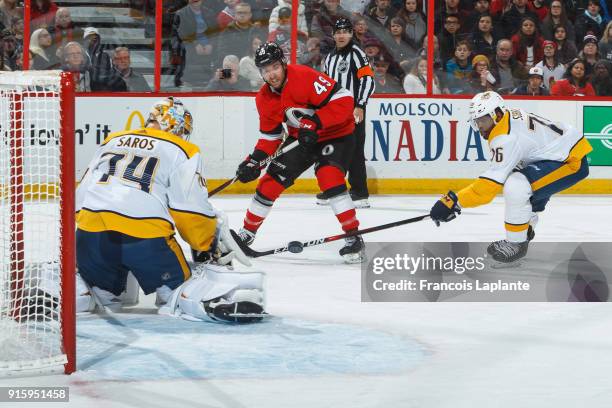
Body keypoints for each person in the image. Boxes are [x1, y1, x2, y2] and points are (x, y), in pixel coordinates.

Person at [76, 97, 265, 323]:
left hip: (90, 235)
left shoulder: (113, 139)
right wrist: (208, 244)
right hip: (144, 239)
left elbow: (81, 195)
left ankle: (81, 294)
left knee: (101, 291)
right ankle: (213, 301)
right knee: (176, 290)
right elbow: (191, 214)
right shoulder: (183, 150)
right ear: (174, 125)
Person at [234, 42, 364, 263]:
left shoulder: (304, 76)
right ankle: (246, 233)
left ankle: (353, 237)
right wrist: (254, 161)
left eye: (274, 67)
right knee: (270, 181)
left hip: (336, 134)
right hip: (301, 139)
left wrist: (316, 121)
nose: (271, 74)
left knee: (328, 176)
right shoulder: (264, 99)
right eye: (265, 70)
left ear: (283, 64)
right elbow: (271, 138)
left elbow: (344, 100)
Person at [430, 91, 591, 264]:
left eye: (483, 120)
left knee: (517, 186)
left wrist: (453, 201)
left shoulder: (505, 138)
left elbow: (487, 189)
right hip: (556, 153)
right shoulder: (506, 117)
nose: (480, 126)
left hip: (570, 161)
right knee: (521, 180)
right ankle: (524, 230)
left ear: (497, 115)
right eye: (477, 121)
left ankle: (516, 243)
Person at [319, 18, 375, 208]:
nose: (342, 35)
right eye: (338, 31)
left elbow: (368, 80)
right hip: (334, 111)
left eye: (346, 31)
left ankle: (359, 193)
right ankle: (334, 189)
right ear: (333, 35)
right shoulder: (330, 58)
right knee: (333, 150)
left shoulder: (357, 53)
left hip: (353, 110)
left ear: (351, 34)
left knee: (354, 150)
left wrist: (360, 105)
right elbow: (326, 86)